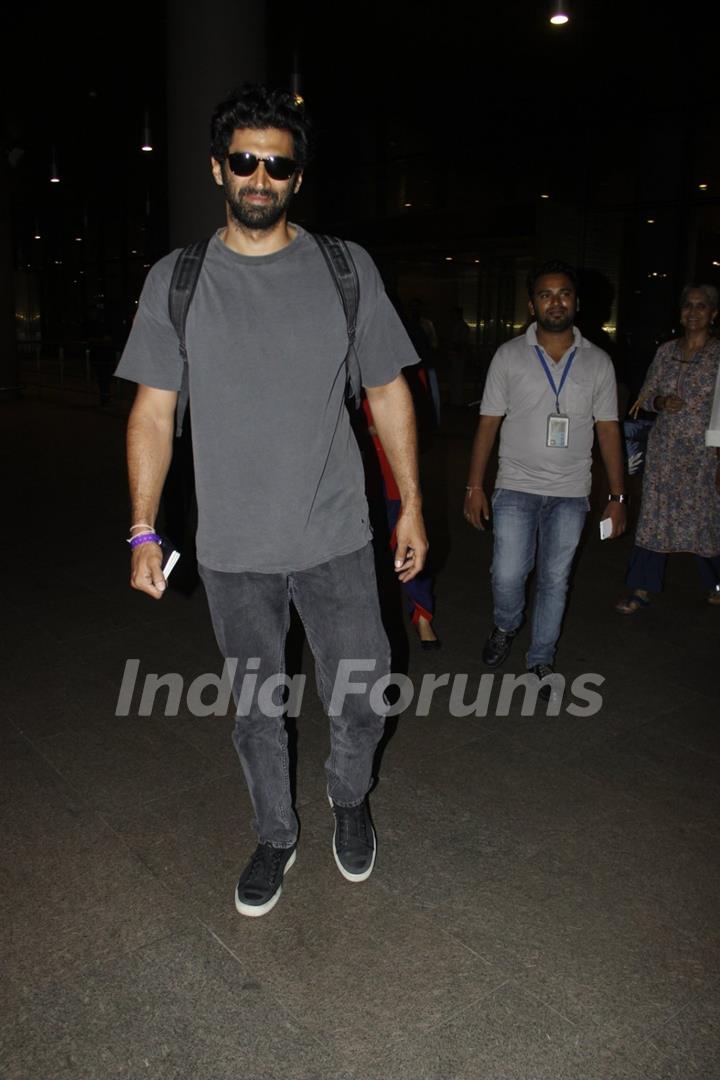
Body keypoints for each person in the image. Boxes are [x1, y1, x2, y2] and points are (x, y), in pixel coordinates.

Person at [115, 85, 428, 917]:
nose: (261, 176)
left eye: (277, 164)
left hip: (334, 535)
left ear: (297, 177)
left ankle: (349, 797)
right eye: (245, 161)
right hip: (232, 548)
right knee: (257, 709)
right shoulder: (175, 281)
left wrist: (414, 506)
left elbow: (389, 392)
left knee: (364, 689)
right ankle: (275, 833)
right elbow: (153, 411)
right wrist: (143, 528)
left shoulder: (344, 268)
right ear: (219, 168)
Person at [464, 259, 626, 694]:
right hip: (515, 486)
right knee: (507, 574)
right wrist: (474, 486)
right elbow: (488, 424)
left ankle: (541, 656)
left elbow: (609, 429)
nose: (556, 301)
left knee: (556, 578)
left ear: (577, 302)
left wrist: (618, 496)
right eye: (546, 295)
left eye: (564, 293)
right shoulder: (509, 355)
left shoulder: (597, 362)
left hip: (571, 492)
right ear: (532, 305)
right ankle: (505, 624)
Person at [616, 284, 720, 612]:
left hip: (704, 453)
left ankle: (717, 582)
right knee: (655, 517)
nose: (693, 312)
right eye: (687, 305)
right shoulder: (666, 352)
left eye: (701, 306)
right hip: (664, 450)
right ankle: (641, 588)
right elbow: (646, 396)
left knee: (705, 518)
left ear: (713, 314)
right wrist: (661, 401)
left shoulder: (718, 354)